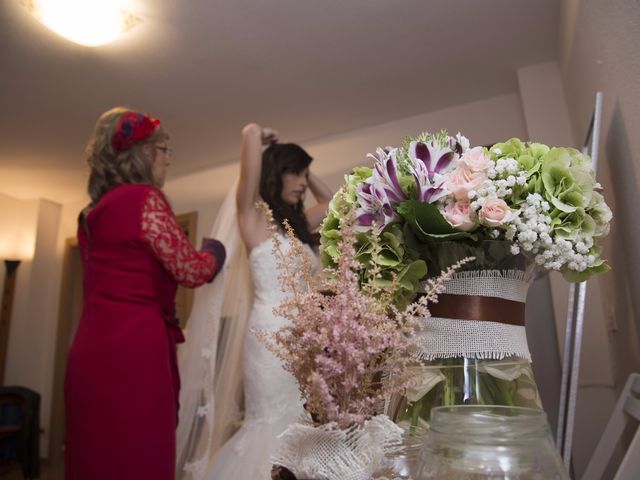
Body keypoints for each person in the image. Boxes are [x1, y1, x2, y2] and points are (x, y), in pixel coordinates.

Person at [64, 107, 226, 480]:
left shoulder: (89, 215)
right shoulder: (145, 199)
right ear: (143, 154)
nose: (168, 160)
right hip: (133, 350)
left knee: (95, 457)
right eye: (164, 150)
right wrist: (216, 251)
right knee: (138, 454)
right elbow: (191, 270)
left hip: (88, 351)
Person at [175, 123, 332, 479]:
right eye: (294, 173)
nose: (302, 183)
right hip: (269, 338)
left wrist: (306, 171)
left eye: (304, 175)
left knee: (301, 419)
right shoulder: (253, 219)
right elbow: (247, 136)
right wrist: (258, 139)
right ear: (276, 174)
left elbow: (333, 201)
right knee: (271, 421)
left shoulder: (301, 226)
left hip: (305, 339)